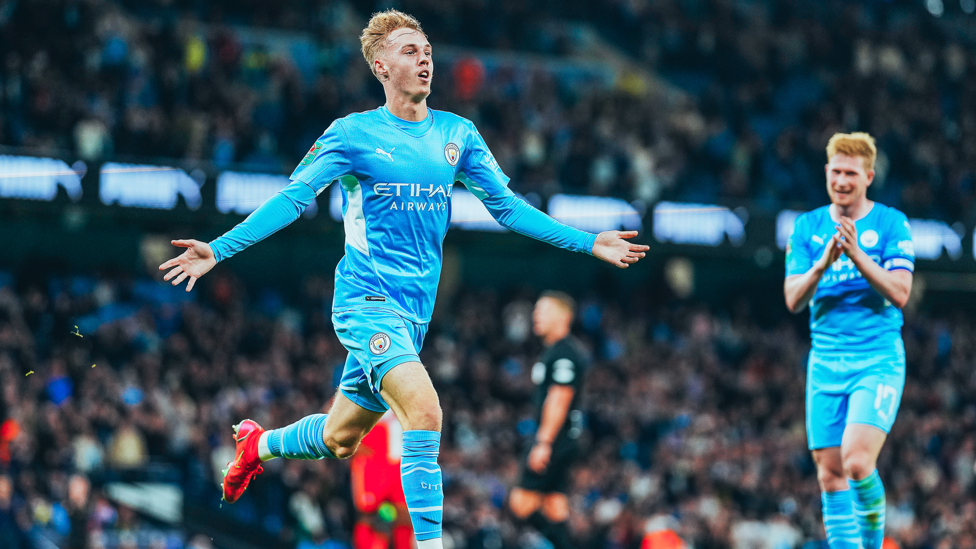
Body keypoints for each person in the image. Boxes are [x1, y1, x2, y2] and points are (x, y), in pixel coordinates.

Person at [158, 10, 649, 549]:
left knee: (339, 438)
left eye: (428, 51)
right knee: (425, 409)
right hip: (365, 304)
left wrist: (587, 241)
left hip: (413, 318)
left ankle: (259, 446)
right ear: (380, 65)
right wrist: (221, 248)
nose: (424, 60)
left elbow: (508, 209)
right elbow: (294, 199)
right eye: (411, 51)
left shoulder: (457, 135)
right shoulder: (352, 134)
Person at [784, 132, 914, 549]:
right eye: (836, 172)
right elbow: (792, 299)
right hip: (825, 362)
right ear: (826, 172)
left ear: (868, 177)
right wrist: (823, 262)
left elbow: (900, 293)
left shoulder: (892, 223)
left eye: (851, 174)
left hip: (875, 359)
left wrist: (857, 255)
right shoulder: (807, 227)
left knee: (857, 462)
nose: (842, 180)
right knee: (830, 474)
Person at [508, 291, 587, 549]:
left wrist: (543, 442)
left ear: (564, 316)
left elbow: (560, 398)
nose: (536, 316)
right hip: (564, 439)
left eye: (543, 311)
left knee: (520, 504)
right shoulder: (555, 351)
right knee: (554, 507)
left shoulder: (564, 353)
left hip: (556, 439)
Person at [350, 411, 412, 549]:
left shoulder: (411, 392)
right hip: (373, 460)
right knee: (368, 514)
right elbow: (330, 414)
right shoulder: (359, 389)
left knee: (406, 517)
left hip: (402, 461)